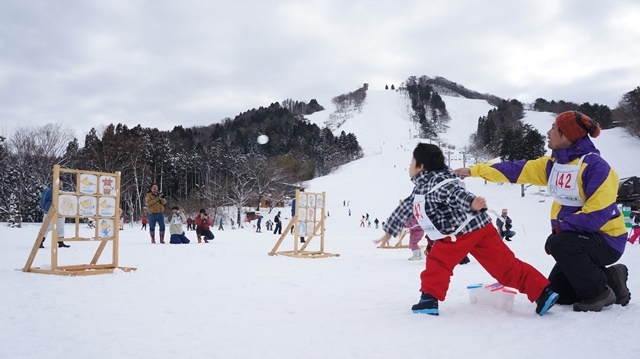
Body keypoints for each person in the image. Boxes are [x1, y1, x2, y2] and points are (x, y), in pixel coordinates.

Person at [455, 111, 630, 312]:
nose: (548, 132)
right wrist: (474, 171)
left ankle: (600, 294)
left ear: (566, 135)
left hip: (606, 240)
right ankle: (612, 279)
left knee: (559, 243)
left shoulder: (597, 167)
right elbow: (514, 169)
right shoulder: (553, 165)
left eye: (554, 128)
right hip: (574, 239)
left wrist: (560, 231)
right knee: (560, 292)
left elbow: (597, 213)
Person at [374, 143, 558, 316]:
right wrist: (389, 230)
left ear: (421, 166)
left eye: (411, 162)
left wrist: (471, 203)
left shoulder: (437, 183)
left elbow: (455, 194)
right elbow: (405, 208)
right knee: (505, 265)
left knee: (438, 262)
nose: (409, 166)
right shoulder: (425, 187)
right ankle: (542, 291)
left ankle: (428, 300)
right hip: (481, 228)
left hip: (458, 234)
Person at [39, 180, 70, 248]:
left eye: (61, 182)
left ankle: (60, 242)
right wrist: (46, 208)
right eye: (58, 182)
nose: (60, 184)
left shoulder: (63, 191)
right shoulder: (49, 191)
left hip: (60, 212)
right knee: (46, 227)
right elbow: (43, 200)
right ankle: (40, 242)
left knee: (60, 228)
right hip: (49, 212)